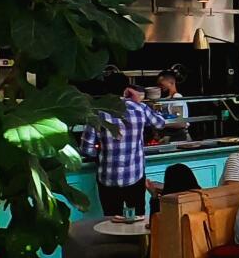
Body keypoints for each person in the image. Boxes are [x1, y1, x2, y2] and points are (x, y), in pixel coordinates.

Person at [80, 78, 166, 216]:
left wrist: (101, 151)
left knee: (111, 220)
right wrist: (139, 101)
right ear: (126, 90)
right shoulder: (139, 108)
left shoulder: (97, 113)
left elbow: (87, 150)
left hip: (107, 178)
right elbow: (160, 123)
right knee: (138, 217)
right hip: (135, 176)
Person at [157, 70, 190, 141]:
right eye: (158, 84)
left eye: (161, 83)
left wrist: (159, 123)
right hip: (169, 135)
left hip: (179, 136)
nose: (159, 85)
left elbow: (180, 122)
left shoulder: (177, 97)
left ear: (171, 82)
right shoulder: (166, 99)